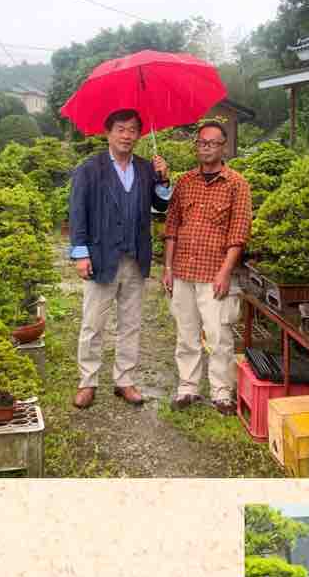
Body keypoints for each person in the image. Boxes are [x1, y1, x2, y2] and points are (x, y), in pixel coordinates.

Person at [67, 109, 171, 409]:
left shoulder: (146, 168)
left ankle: (124, 380)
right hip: (101, 256)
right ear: (108, 133)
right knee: (93, 324)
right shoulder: (90, 168)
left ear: (139, 134)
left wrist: (163, 180)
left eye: (133, 130)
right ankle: (87, 381)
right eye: (121, 129)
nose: (127, 135)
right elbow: (77, 212)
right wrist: (80, 253)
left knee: (131, 323)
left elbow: (160, 206)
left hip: (135, 256)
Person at [161, 121, 252, 415]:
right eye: (202, 142)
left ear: (224, 147)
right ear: (196, 146)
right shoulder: (185, 182)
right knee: (186, 334)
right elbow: (172, 226)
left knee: (219, 336)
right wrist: (167, 267)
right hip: (183, 271)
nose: (206, 148)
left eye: (213, 143)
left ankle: (221, 392)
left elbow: (239, 233)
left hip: (214, 273)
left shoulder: (237, 184)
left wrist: (225, 271)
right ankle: (187, 388)